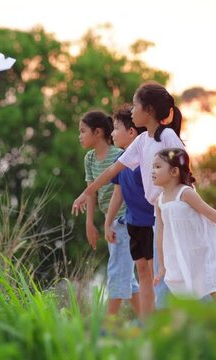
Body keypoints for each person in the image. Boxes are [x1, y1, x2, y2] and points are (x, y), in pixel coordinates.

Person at [73, 82, 184, 309]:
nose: (132, 110)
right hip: (159, 215)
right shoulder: (142, 142)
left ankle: (174, 325)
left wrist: (184, 202)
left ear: (149, 110)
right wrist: (87, 192)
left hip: (175, 211)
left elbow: (183, 169)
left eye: (135, 105)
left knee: (174, 271)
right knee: (159, 273)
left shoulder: (168, 136)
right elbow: (113, 170)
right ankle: (156, 327)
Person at [152, 148, 216, 307]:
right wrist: (162, 265)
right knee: (182, 291)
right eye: (152, 167)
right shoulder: (159, 201)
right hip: (181, 254)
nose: (153, 171)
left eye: (158, 167)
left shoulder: (185, 193)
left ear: (174, 171)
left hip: (202, 250)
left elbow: (209, 213)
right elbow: (160, 232)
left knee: (213, 288)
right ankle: (187, 327)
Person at [78, 110, 140, 316]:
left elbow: (118, 190)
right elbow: (92, 192)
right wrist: (90, 223)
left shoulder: (118, 155)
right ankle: (151, 323)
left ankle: (108, 328)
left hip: (124, 219)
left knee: (117, 273)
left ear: (97, 132)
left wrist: (110, 221)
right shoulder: (89, 159)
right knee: (127, 279)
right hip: (111, 220)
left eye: (83, 131)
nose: (79, 136)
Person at [104, 105, 156, 319]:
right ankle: (147, 323)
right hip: (133, 224)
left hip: (152, 223)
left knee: (155, 275)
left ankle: (160, 323)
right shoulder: (120, 162)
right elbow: (119, 194)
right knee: (142, 272)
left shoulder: (146, 158)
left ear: (132, 132)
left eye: (116, 128)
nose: (112, 133)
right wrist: (108, 222)